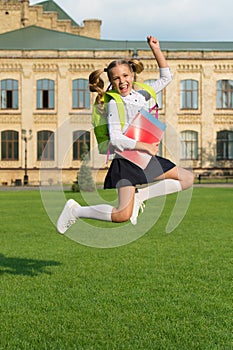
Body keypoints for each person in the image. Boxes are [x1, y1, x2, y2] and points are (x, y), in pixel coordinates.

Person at [57, 35, 194, 234]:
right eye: (116, 78)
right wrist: (144, 146)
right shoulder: (114, 103)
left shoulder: (141, 95)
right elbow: (116, 138)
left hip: (143, 158)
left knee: (187, 179)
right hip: (127, 161)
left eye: (125, 76)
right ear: (111, 81)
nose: (122, 81)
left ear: (132, 74)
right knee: (122, 215)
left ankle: (140, 196)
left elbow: (166, 78)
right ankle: (76, 211)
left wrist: (156, 49)